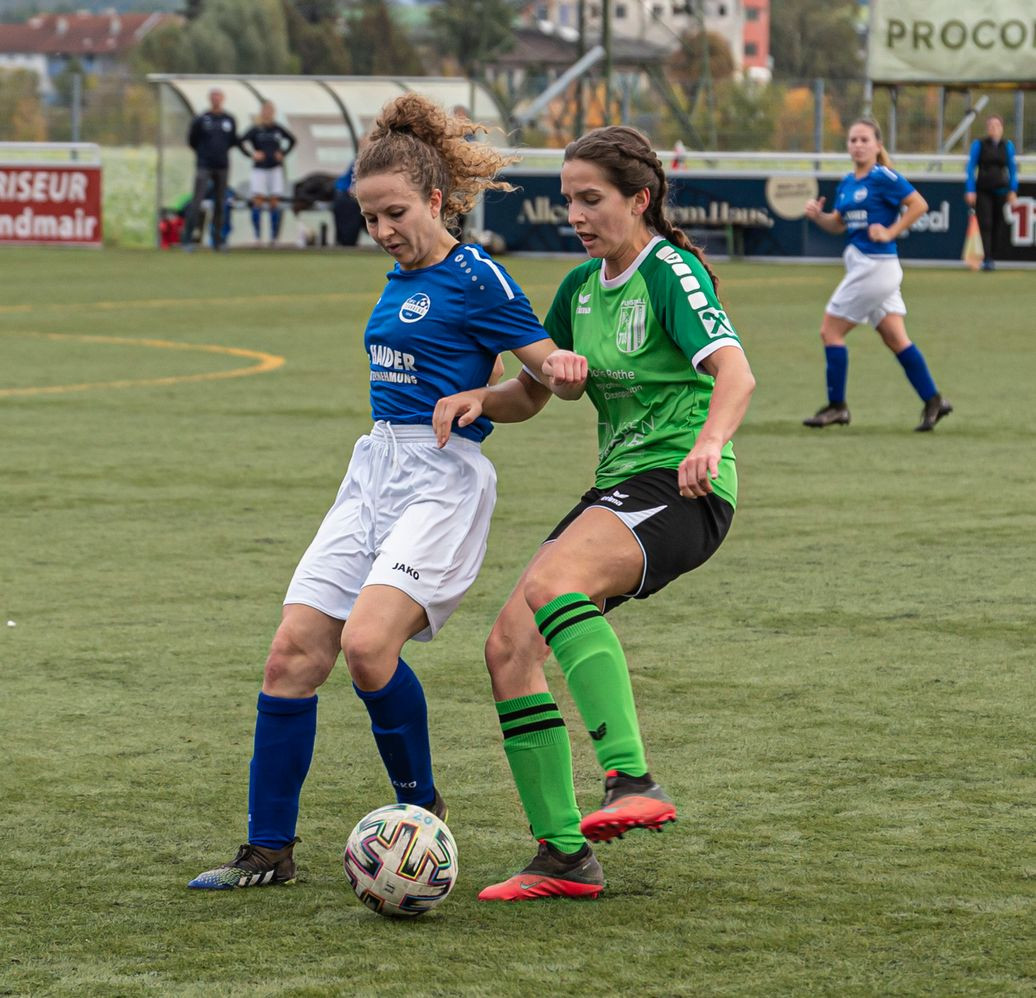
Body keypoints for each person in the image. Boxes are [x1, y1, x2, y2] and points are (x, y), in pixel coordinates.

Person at [188, 94, 565, 891]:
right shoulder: (400, 276)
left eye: (396, 213)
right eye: (370, 218)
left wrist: (495, 393)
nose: (384, 230)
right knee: (291, 653)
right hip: (372, 472)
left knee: (366, 647)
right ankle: (267, 851)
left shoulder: (479, 276)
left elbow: (541, 385)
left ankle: (421, 809)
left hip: (441, 478)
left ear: (436, 199)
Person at [432, 124, 755, 900]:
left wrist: (709, 443)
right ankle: (564, 856)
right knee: (508, 649)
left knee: (553, 587)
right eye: (567, 201)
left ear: (639, 200)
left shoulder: (669, 271)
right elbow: (534, 392)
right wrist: (481, 398)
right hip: (620, 489)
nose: (575, 215)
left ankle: (632, 778)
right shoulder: (581, 287)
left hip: (682, 487)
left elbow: (736, 373)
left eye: (590, 199)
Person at [802, 117, 952, 432]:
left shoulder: (882, 176)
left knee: (830, 331)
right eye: (853, 140)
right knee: (895, 338)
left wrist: (890, 231)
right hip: (866, 267)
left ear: (877, 145)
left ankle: (837, 406)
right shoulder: (847, 182)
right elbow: (838, 224)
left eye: (864, 140)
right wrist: (819, 216)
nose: (858, 145)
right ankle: (934, 400)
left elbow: (919, 204)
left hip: (875, 266)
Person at [183, 88, 240, 251]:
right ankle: (188, 239)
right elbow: (192, 140)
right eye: (213, 97)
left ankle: (218, 241)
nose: (216, 100)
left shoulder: (229, 119)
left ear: (223, 99)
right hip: (204, 165)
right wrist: (204, 153)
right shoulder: (201, 119)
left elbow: (233, 141)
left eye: (218, 97)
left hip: (222, 166)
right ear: (210, 99)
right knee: (197, 202)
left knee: (221, 203)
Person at [965, 115, 1019, 272]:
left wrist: (1013, 189)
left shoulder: (1007, 146)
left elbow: (1012, 169)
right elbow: (970, 168)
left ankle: (993, 255)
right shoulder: (979, 145)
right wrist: (970, 190)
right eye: (991, 125)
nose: (993, 128)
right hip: (983, 190)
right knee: (986, 223)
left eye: (997, 125)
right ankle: (986, 258)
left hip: (1001, 190)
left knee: (998, 223)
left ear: (1002, 128)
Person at [240, 101, 297, 246]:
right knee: (257, 201)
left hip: (275, 168)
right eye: (265, 110)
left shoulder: (277, 129)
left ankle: (274, 238)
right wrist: (252, 154)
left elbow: (292, 140)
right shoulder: (256, 129)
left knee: (274, 201)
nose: (267, 113)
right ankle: (257, 237)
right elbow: (241, 141)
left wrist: (283, 153)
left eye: (270, 110)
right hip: (259, 169)